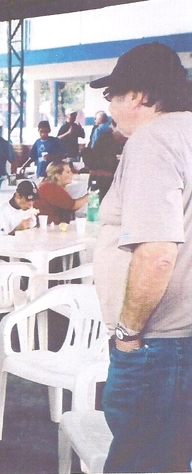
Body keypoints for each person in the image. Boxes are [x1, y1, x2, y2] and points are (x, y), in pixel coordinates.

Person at [90, 41, 192, 473]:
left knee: (139, 462)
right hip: (182, 341)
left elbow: (156, 255)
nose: (109, 105)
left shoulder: (153, 141)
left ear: (137, 95)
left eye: (111, 94)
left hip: (158, 345)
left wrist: (127, 334)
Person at [33, 161, 88, 225]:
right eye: (68, 172)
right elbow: (73, 205)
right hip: (47, 227)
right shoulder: (50, 187)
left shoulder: (50, 186)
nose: (72, 174)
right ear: (57, 175)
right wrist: (90, 195)